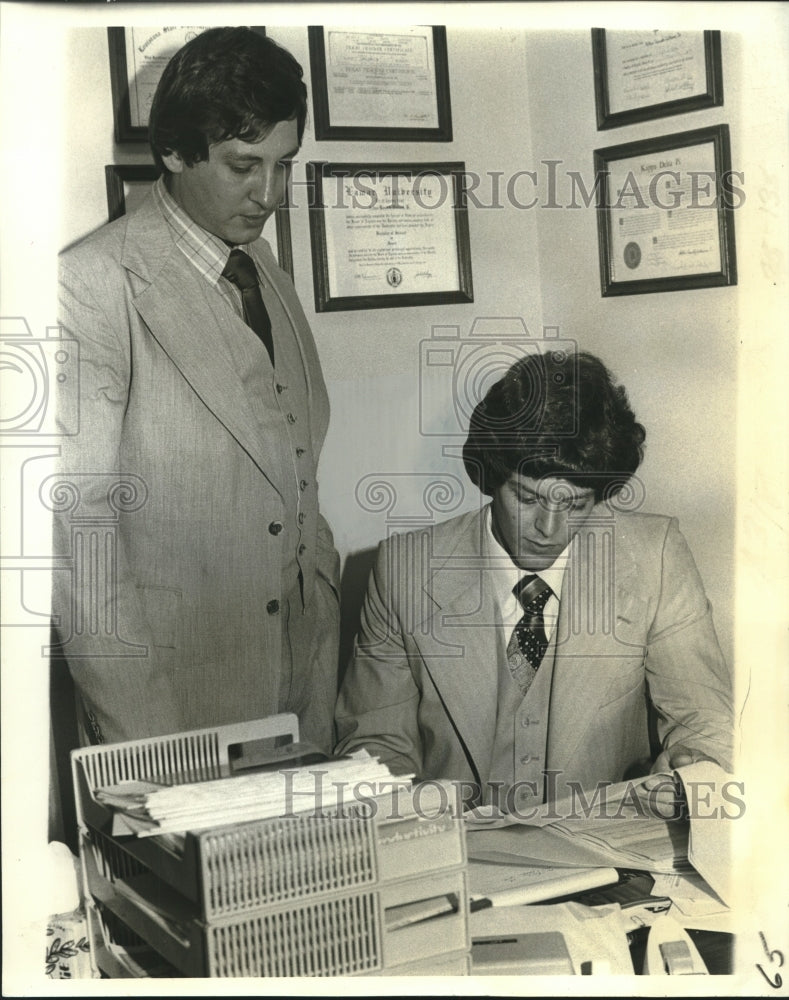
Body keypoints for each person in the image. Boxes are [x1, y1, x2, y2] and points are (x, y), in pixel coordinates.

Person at [53, 28, 340, 750]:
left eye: (284, 165)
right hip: (171, 706)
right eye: (243, 165)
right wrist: (144, 739)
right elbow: (77, 540)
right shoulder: (90, 285)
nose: (269, 193)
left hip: (300, 691)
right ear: (175, 153)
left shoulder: (263, 268)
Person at [335, 350, 733, 811]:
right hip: (461, 852)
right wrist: (416, 817)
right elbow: (373, 745)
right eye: (526, 497)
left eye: (576, 504)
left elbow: (705, 718)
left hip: (605, 848)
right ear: (491, 476)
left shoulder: (655, 556)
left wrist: (692, 767)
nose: (548, 528)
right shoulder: (404, 568)